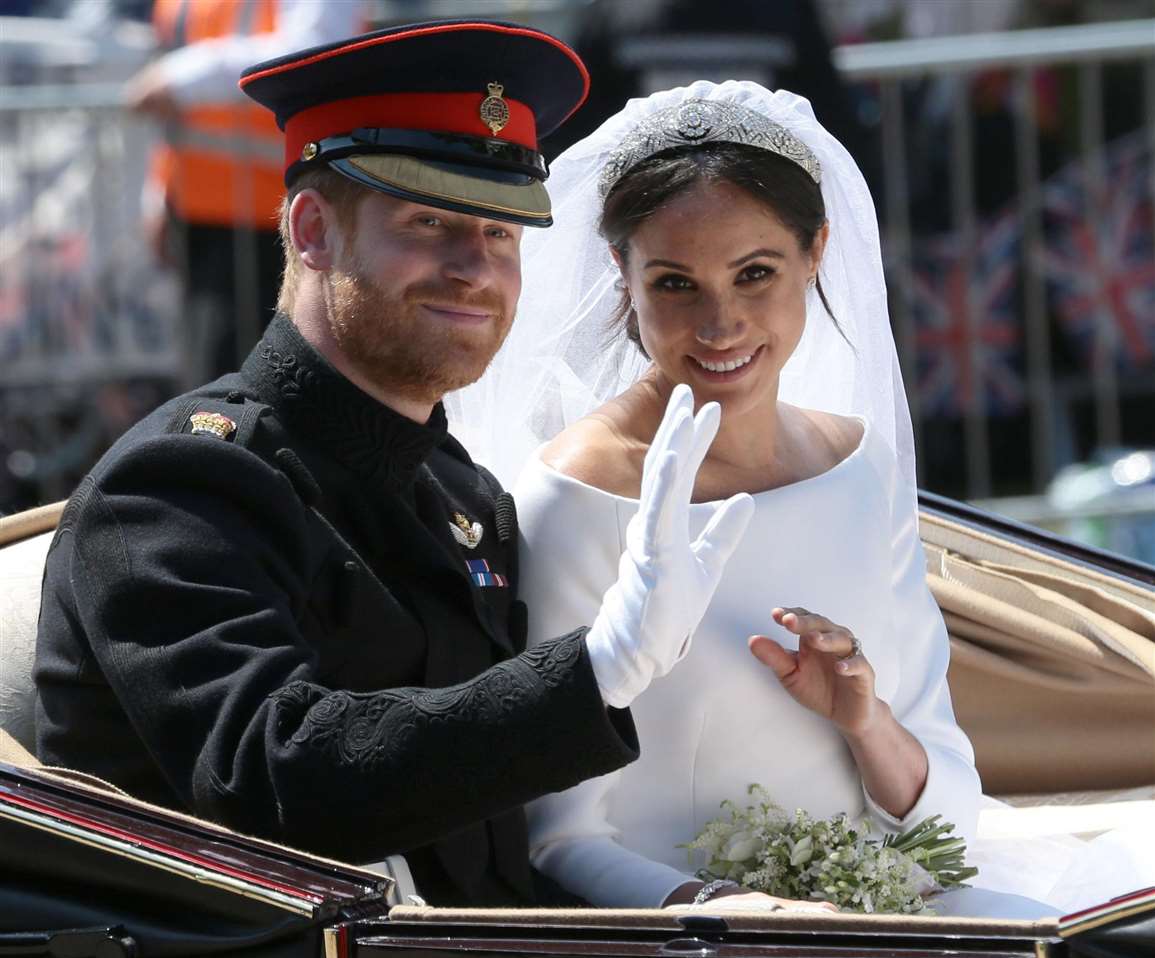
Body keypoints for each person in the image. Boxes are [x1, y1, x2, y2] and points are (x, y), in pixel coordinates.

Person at [32, 23, 755, 908]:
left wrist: (688, 901)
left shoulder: (461, 492)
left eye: (501, 233)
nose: (474, 269)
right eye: (428, 222)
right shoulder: (182, 486)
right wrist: (596, 668)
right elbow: (273, 777)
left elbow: (495, 840)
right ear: (311, 230)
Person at [447, 81, 1132, 918]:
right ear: (622, 278)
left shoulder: (858, 465)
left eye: (754, 273)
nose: (720, 323)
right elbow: (557, 835)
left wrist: (864, 721)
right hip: (689, 952)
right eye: (674, 284)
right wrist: (733, 913)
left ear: (816, 253)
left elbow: (946, 810)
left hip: (886, 907)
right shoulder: (575, 494)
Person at [125, 1, 368, 384]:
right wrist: (158, 194)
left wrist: (184, 76)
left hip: (281, 223)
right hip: (201, 217)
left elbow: (316, 50)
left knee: (268, 391)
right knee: (209, 388)